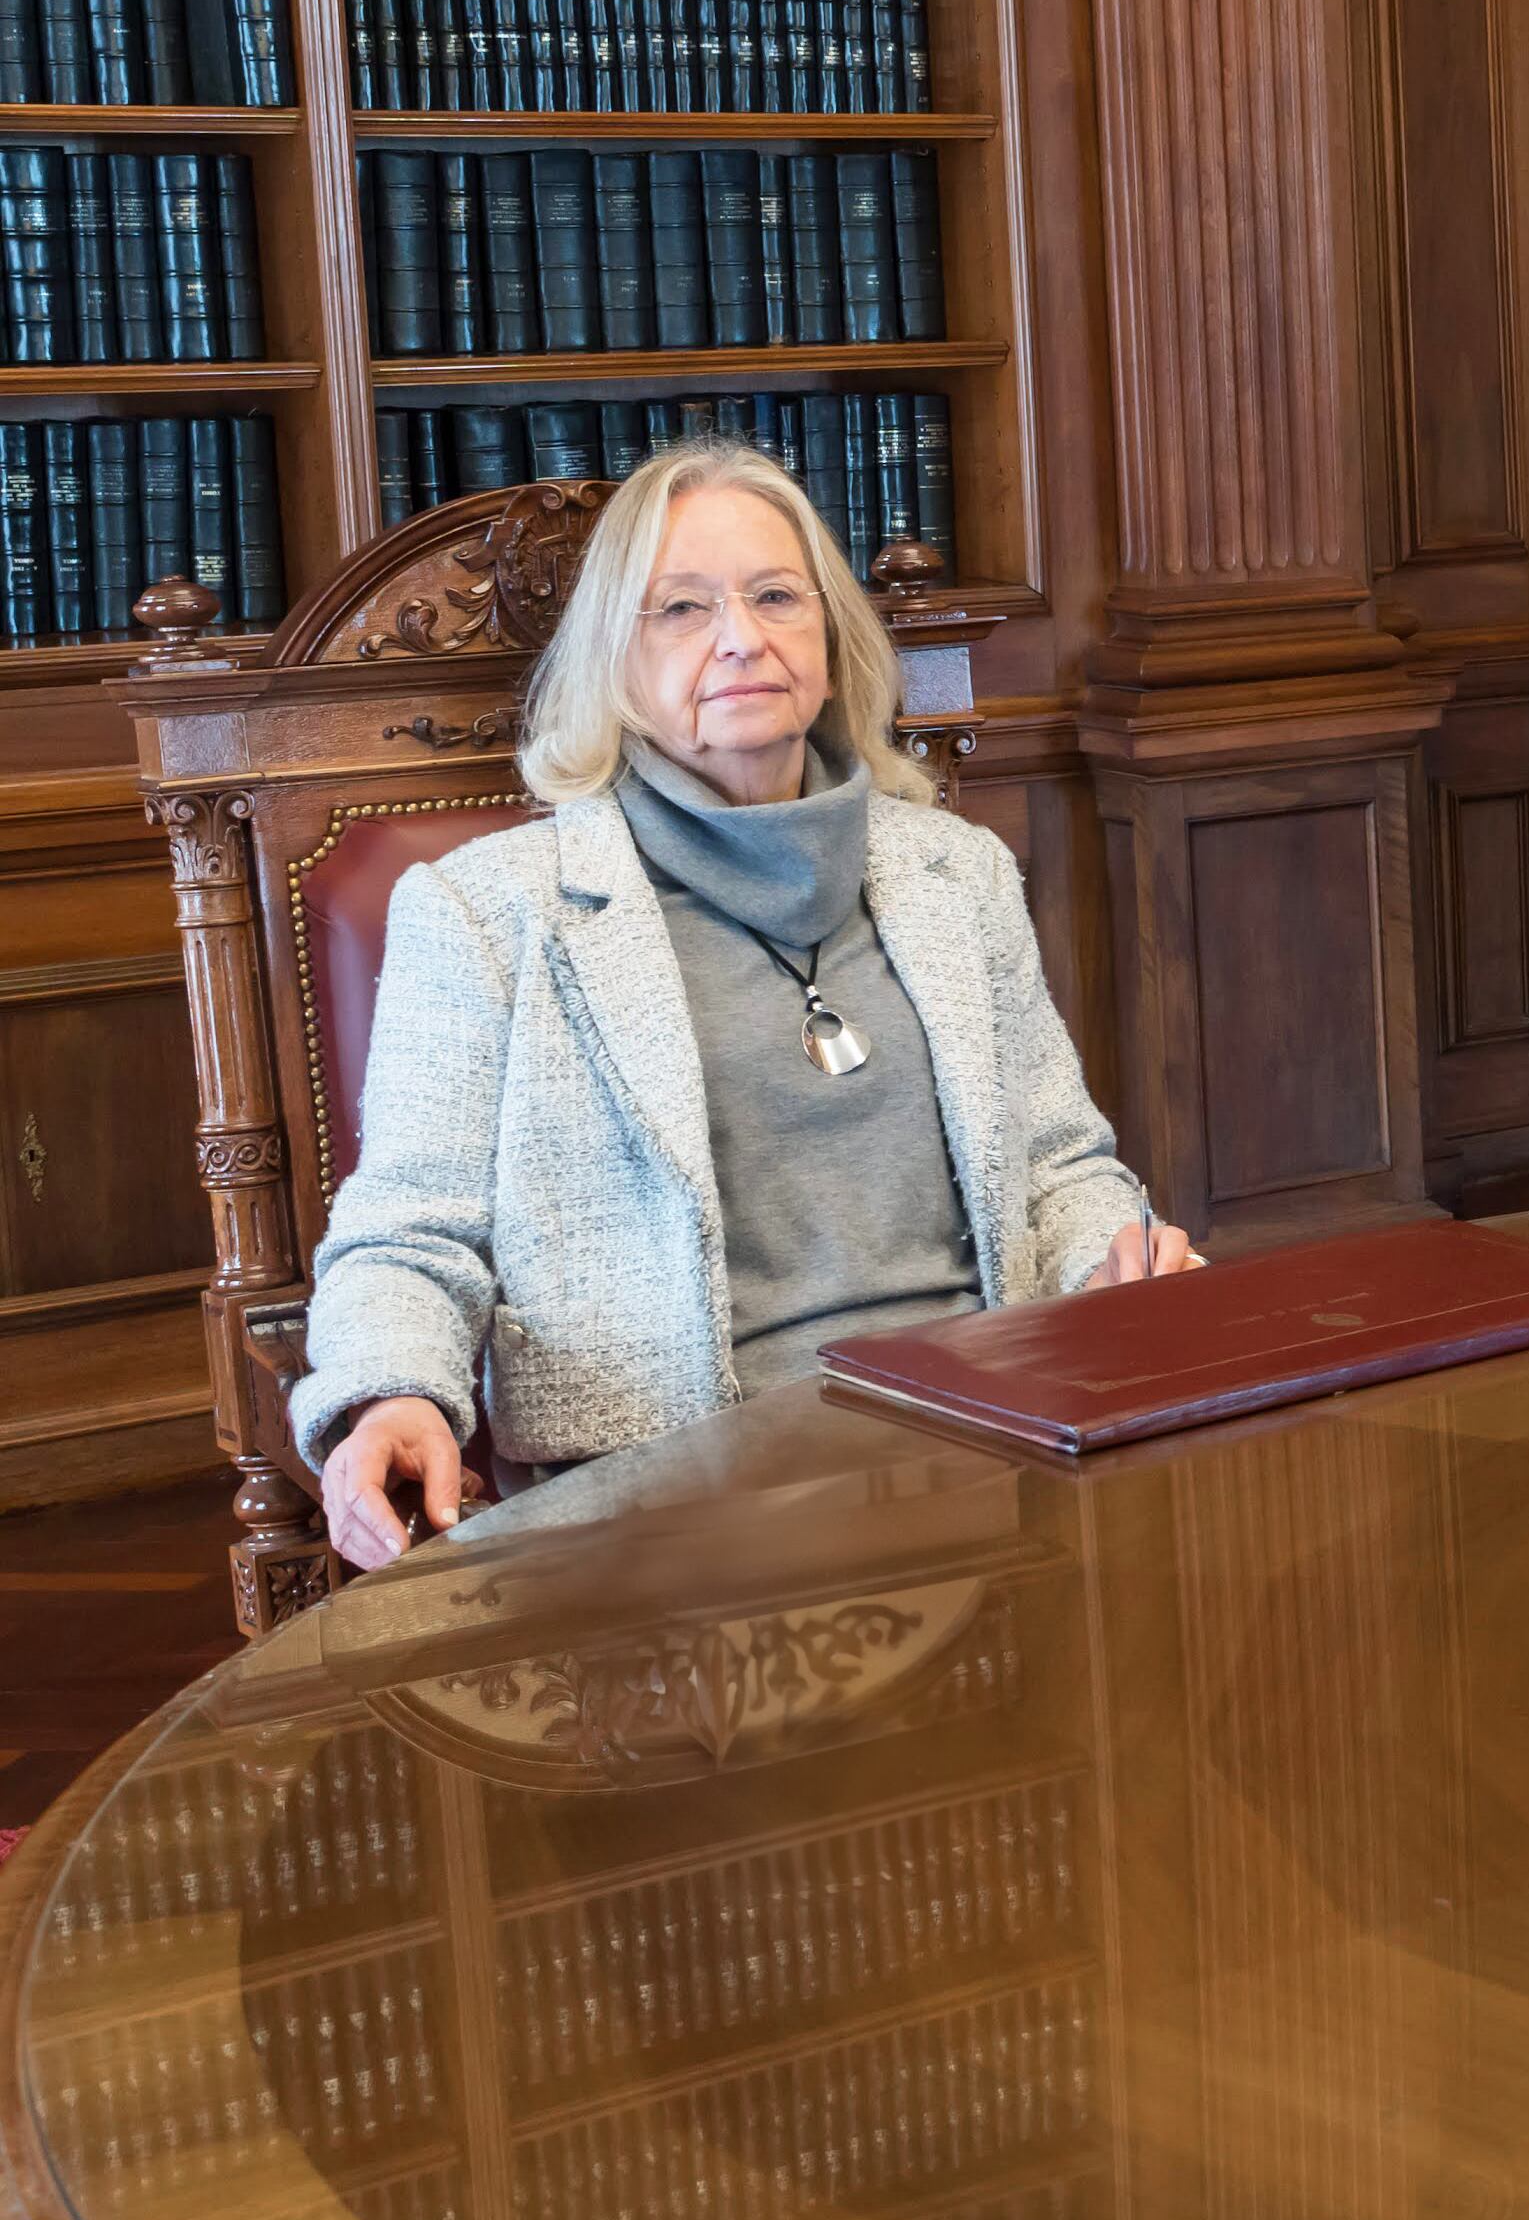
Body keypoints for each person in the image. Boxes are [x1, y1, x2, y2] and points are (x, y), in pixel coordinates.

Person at [298, 439, 1196, 1570]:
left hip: (998, 1445)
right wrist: (390, 1396)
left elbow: (1063, 1166)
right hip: (681, 1495)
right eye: (679, 608)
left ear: (829, 642)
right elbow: (408, 1235)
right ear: (612, 665)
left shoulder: (955, 875)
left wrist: (1114, 1259)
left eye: (777, 596)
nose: (740, 637)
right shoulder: (488, 914)